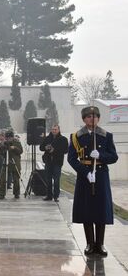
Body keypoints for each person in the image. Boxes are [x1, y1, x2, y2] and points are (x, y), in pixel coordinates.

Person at [68, 106, 117, 257]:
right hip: (85, 177)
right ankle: (90, 243)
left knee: (100, 210)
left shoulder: (106, 135)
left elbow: (114, 157)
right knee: (87, 209)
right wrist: (86, 173)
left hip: (101, 175)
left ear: (98, 118)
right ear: (84, 119)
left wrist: (101, 155)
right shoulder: (76, 137)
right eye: (89, 117)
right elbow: (71, 159)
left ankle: (100, 244)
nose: (92, 119)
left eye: (95, 116)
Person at [40, 124, 69, 202]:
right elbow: (41, 148)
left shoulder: (63, 139)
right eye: (53, 129)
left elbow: (66, 150)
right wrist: (46, 148)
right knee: (48, 179)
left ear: (59, 130)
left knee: (56, 179)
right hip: (48, 161)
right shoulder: (47, 138)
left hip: (57, 162)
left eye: (55, 129)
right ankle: (49, 195)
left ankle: (56, 196)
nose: (54, 131)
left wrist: (54, 150)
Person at [0, 129, 23, 199]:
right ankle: (2, 193)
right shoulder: (3, 143)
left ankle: (16, 193)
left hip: (15, 162)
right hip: (6, 161)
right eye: (7, 138)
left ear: (12, 137)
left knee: (16, 179)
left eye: (10, 138)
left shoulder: (16, 142)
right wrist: (2, 145)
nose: (8, 139)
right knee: (3, 178)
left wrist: (14, 148)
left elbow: (20, 151)